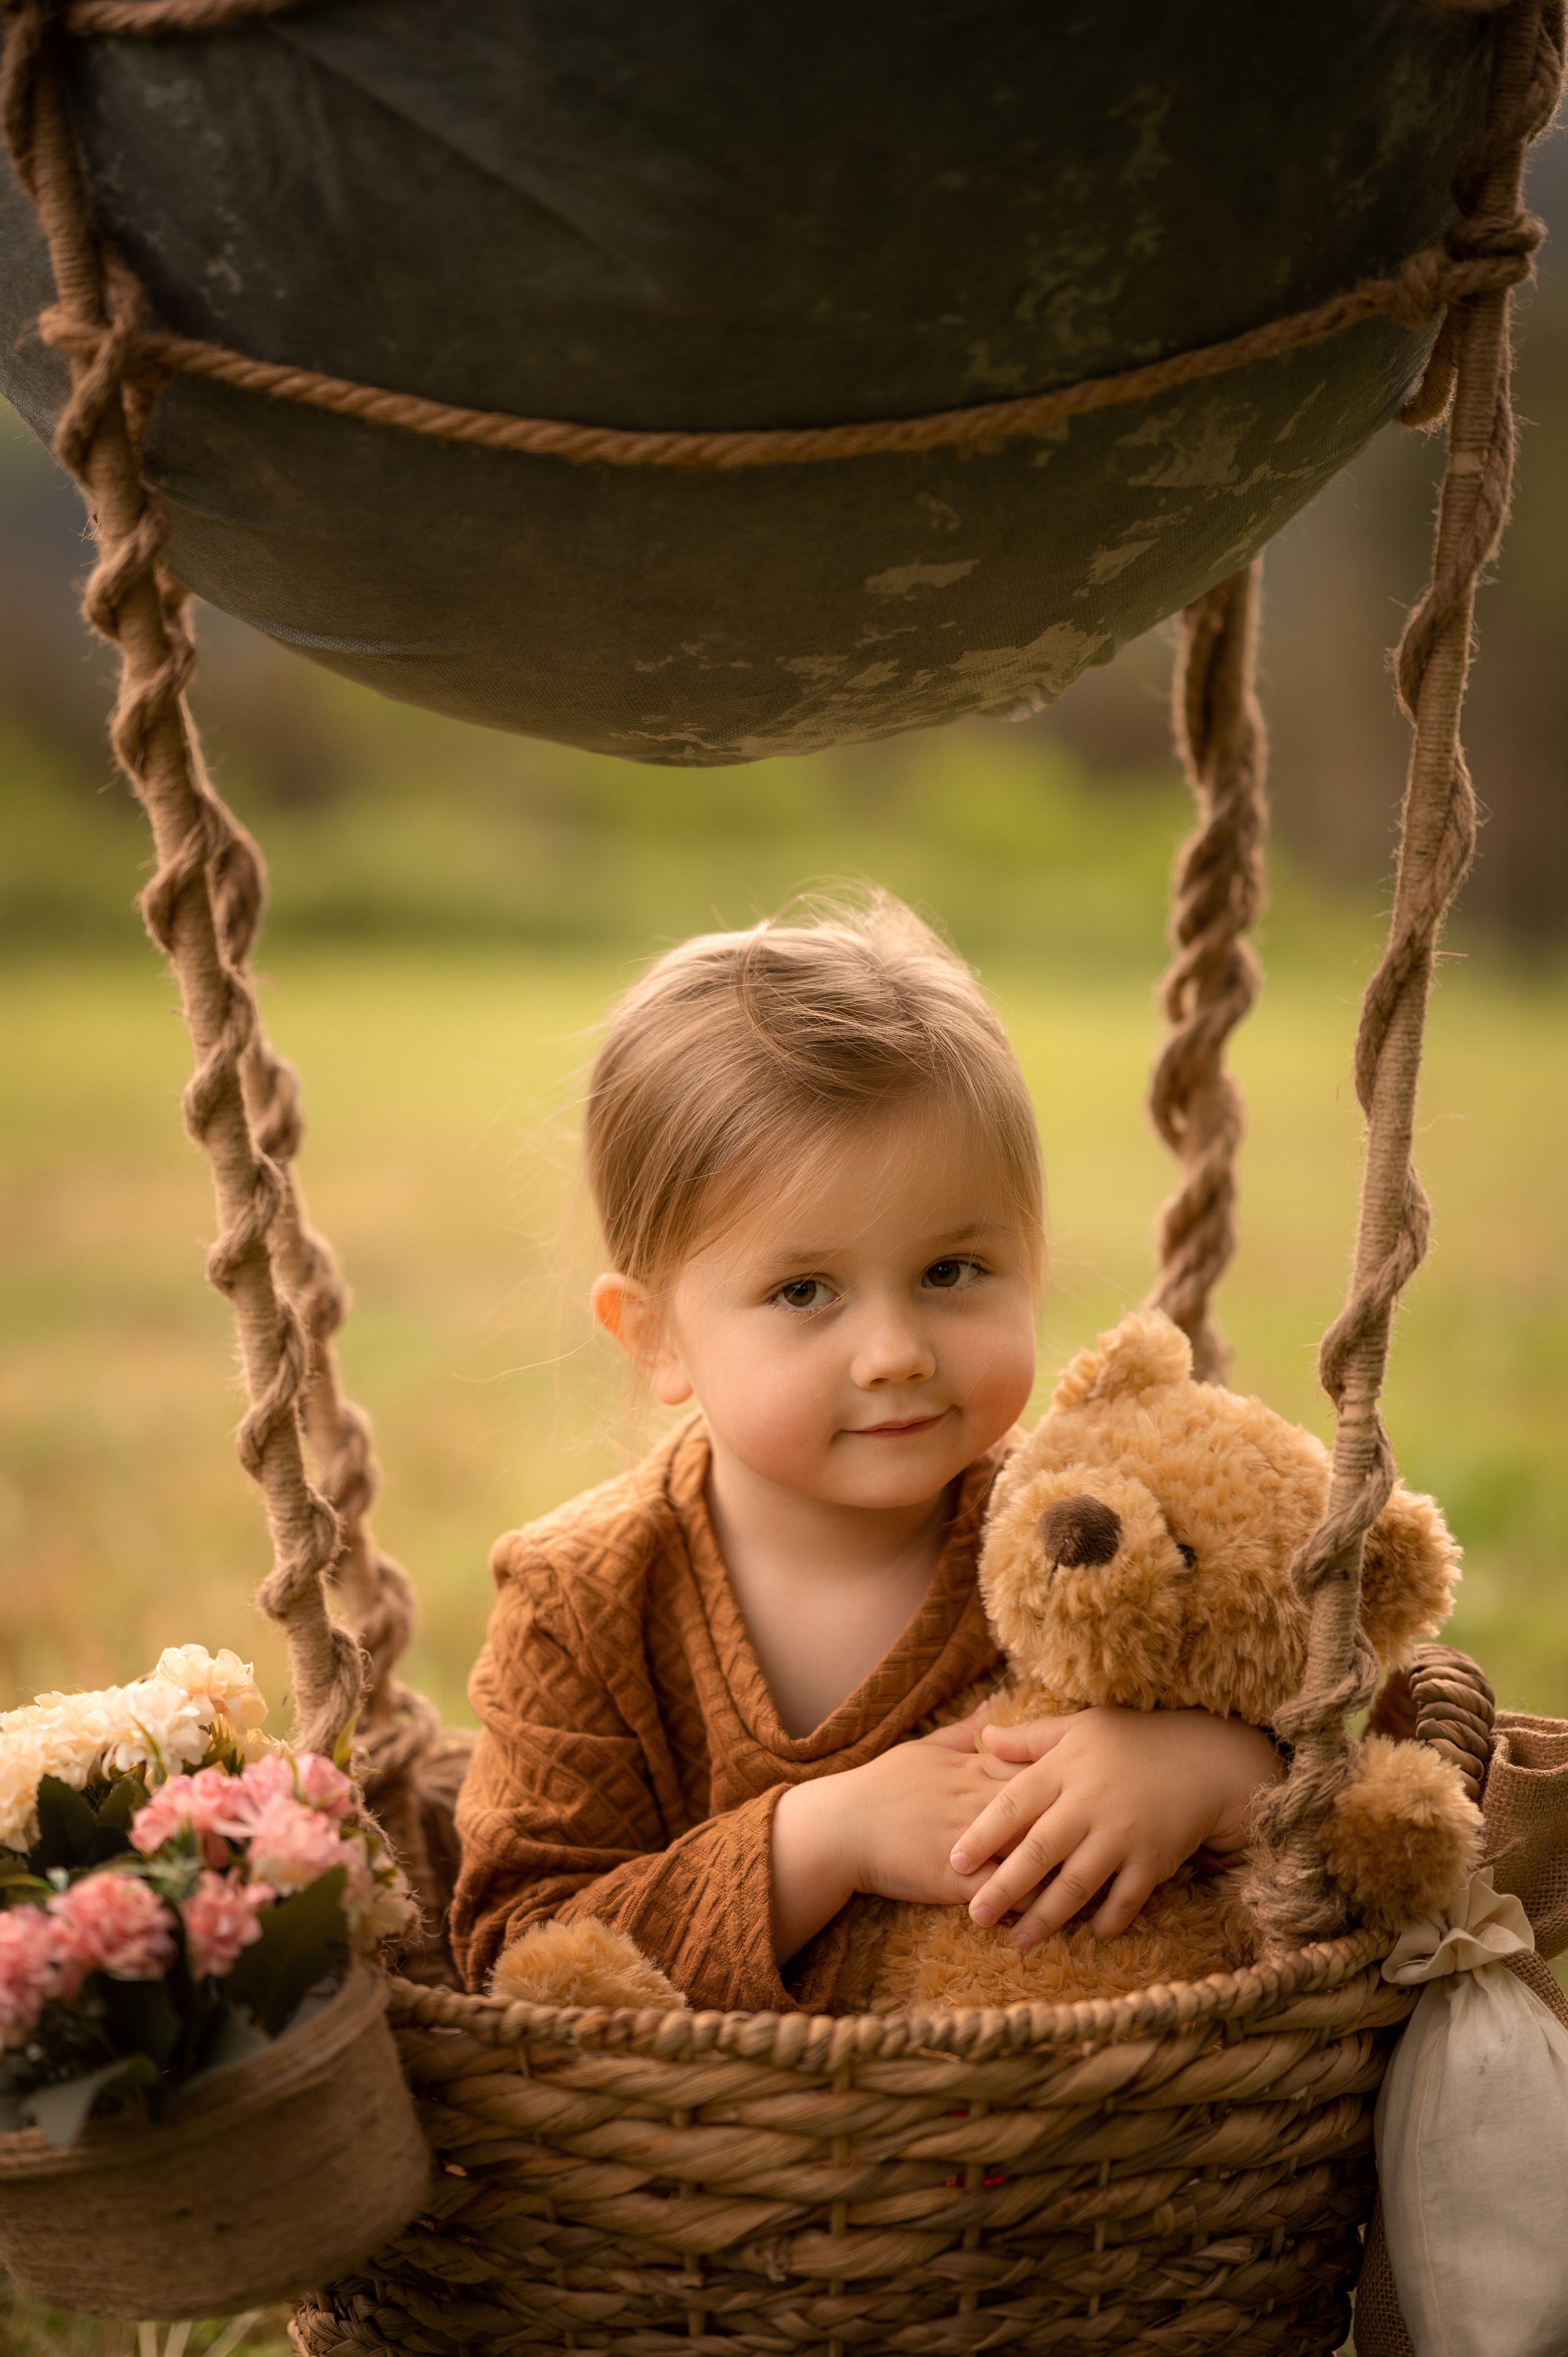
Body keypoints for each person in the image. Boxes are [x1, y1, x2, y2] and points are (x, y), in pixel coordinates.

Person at [450, 893, 1280, 2010]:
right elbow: (516, 1942)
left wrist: (1210, 1769)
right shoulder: (582, 1603)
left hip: (1098, 2137)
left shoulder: (1095, 1528)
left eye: (950, 1272)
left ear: (1030, 1263)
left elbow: (1355, 1727)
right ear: (654, 1336)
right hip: (728, 2165)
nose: (893, 1352)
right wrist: (817, 1839)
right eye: (804, 1291)